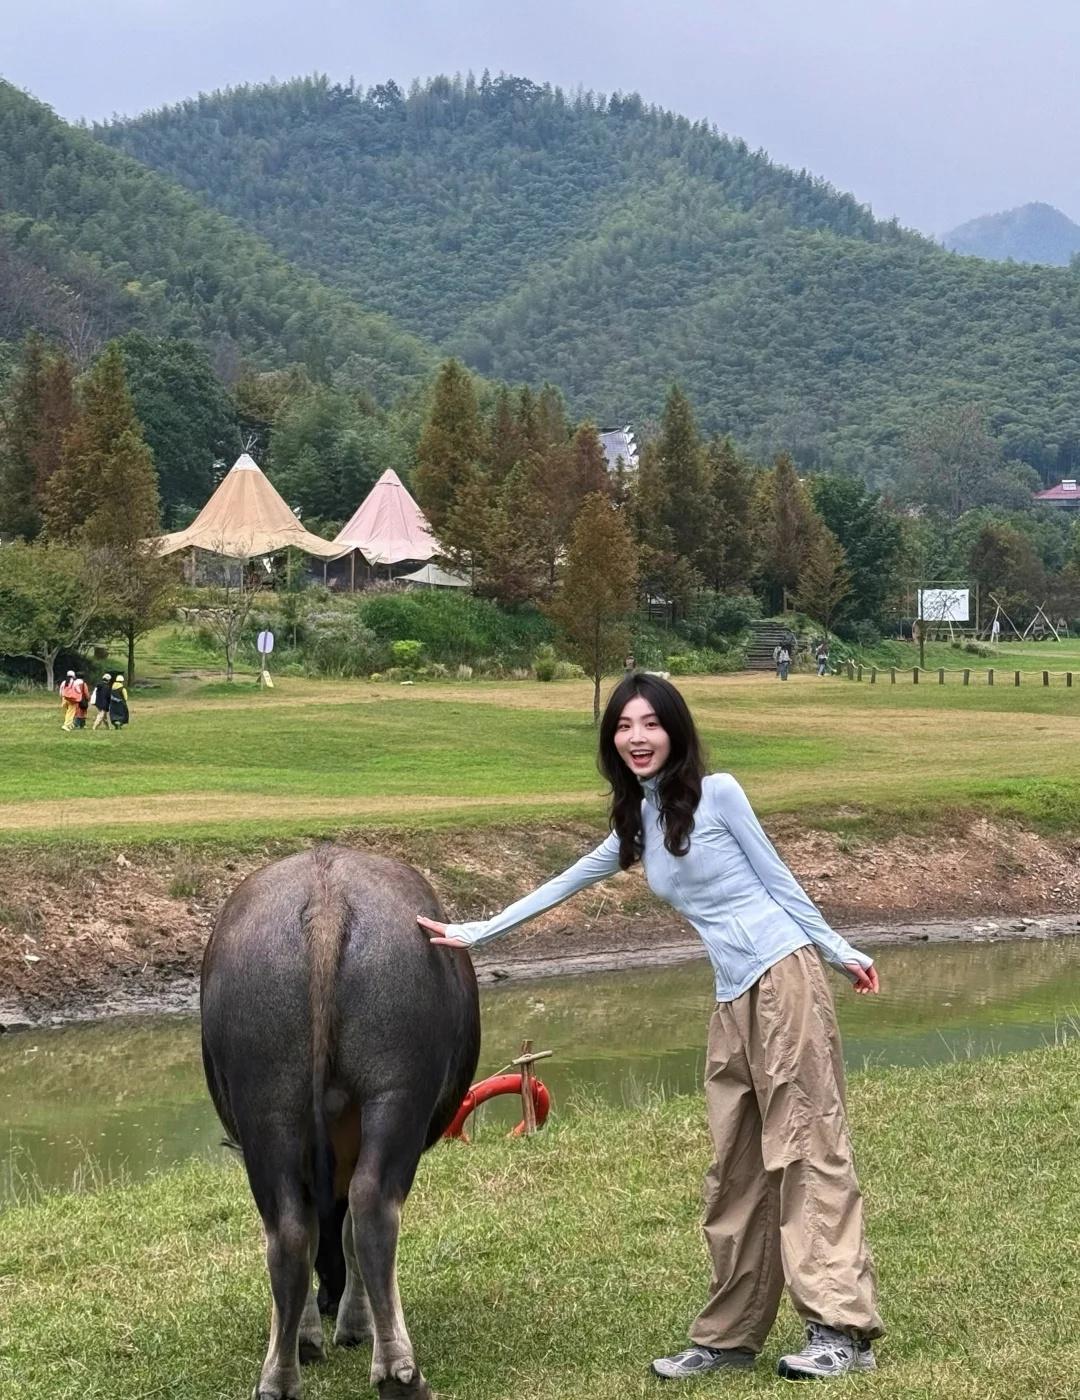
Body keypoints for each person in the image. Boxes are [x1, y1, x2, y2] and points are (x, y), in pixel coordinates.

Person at [418, 672, 883, 1382]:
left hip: (784, 977)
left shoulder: (719, 794)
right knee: (734, 1165)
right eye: (623, 726)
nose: (636, 737)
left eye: (650, 723)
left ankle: (840, 1329)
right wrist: (476, 931)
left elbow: (779, 880)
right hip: (731, 997)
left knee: (805, 1146)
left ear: (675, 730)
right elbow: (564, 882)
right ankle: (729, 1337)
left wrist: (839, 950)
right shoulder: (639, 821)